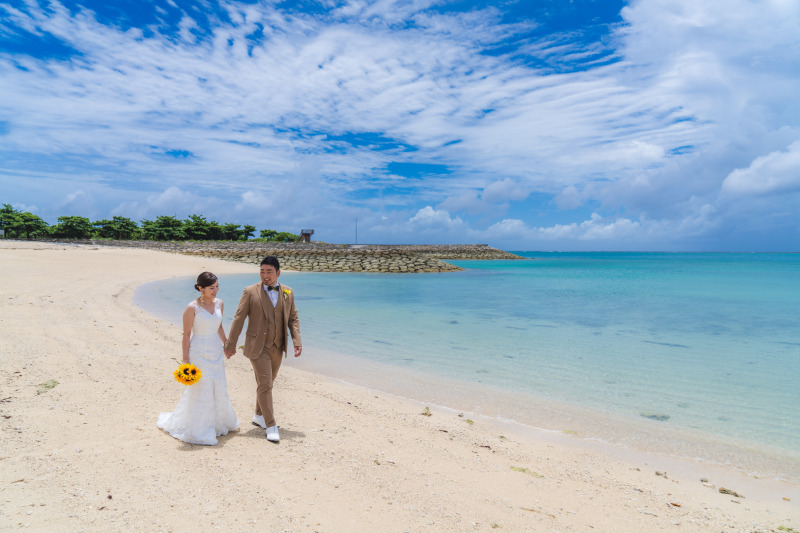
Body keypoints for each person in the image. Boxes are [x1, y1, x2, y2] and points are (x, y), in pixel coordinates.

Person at [224, 256, 301, 442]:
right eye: (262, 271)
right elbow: (239, 318)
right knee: (265, 384)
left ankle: (258, 415)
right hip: (257, 346)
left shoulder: (288, 292)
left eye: (269, 272)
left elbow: (293, 318)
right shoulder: (250, 291)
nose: (265, 275)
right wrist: (230, 344)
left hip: (278, 346)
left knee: (267, 384)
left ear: (278, 273)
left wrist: (297, 341)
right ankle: (271, 425)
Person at [157, 272, 240, 445]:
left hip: (215, 351)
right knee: (201, 389)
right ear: (201, 288)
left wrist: (227, 345)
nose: (216, 290)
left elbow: (218, 327)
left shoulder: (220, 304)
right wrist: (186, 360)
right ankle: (200, 428)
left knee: (218, 385)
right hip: (198, 352)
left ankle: (217, 424)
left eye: (217, 286)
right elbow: (186, 335)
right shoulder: (191, 308)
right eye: (212, 288)